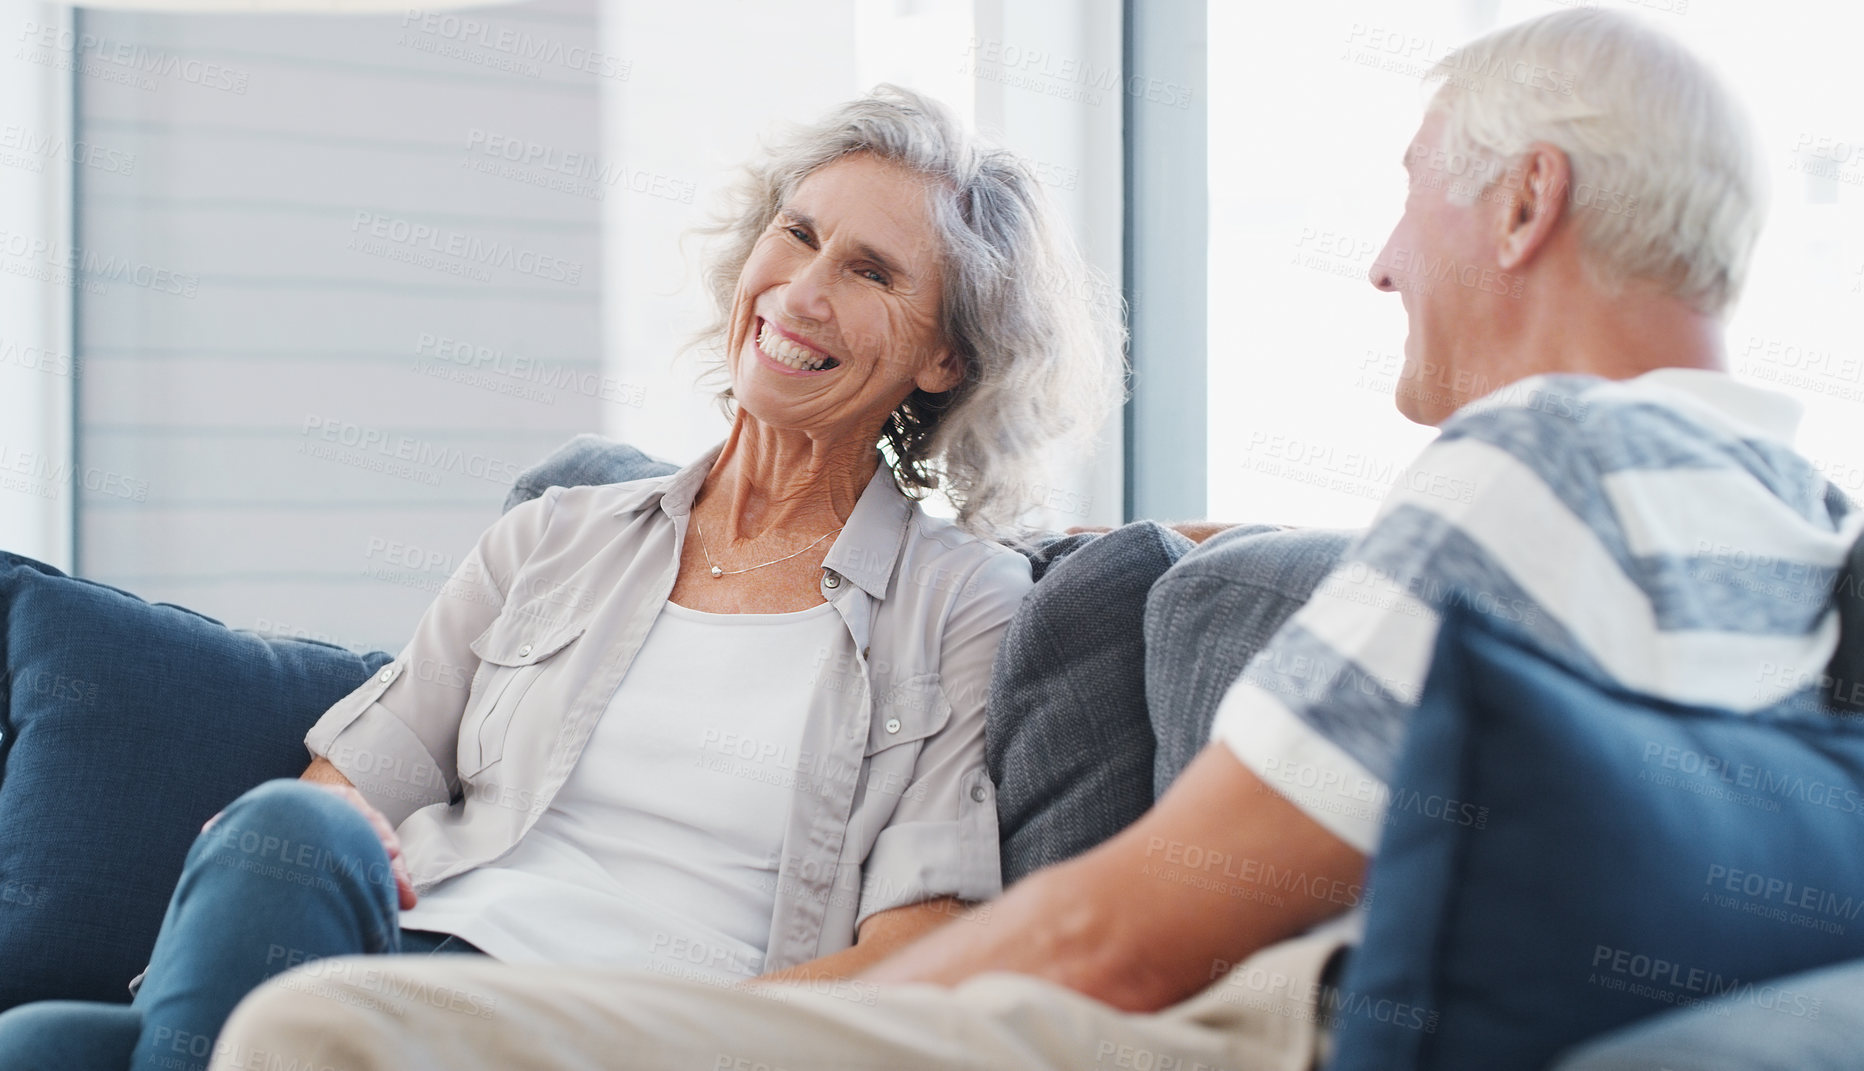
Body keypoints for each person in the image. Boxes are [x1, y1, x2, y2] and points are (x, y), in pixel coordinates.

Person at [202, 8, 1859, 1070]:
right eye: (798, 239)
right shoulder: (1782, 515)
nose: (1374, 261)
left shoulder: (1519, 476)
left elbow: (1104, 939)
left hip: (1239, 1023)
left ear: (1521, 204)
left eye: (1410, 190)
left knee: (318, 1024)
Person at [0, 85, 1122, 1071]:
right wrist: (326, 837)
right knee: (82, 1004)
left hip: (612, 1034)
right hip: (400, 974)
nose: (803, 292)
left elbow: (917, 957)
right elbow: (350, 783)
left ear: (946, 357)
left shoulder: (964, 604)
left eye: (869, 270)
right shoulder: (555, 537)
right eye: (799, 233)